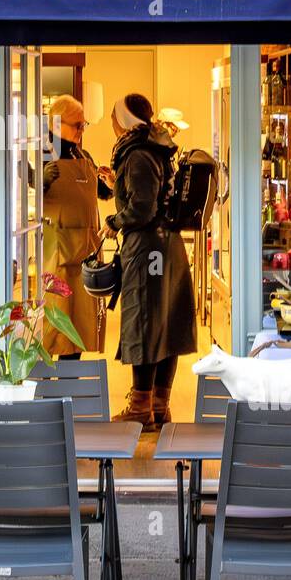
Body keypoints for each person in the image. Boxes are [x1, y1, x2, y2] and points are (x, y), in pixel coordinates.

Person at [101, 93, 196, 429]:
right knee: (166, 325)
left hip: (147, 249)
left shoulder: (138, 152)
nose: (112, 124)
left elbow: (142, 209)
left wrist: (114, 222)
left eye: (114, 117)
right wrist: (116, 185)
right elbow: (150, 195)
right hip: (168, 246)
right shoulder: (158, 146)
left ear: (123, 120)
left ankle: (141, 409)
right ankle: (159, 406)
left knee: (144, 322)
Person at [40, 94, 110, 359]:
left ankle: (72, 381)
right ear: (57, 124)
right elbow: (22, 198)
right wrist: (40, 181)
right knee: (55, 328)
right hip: (57, 256)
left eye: (83, 125)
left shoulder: (84, 156)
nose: (82, 130)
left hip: (86, 253)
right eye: (77, 125)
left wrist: (111, 183)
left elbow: (102, 193)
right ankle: (49, 384)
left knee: (79, 328)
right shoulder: (42, 155)